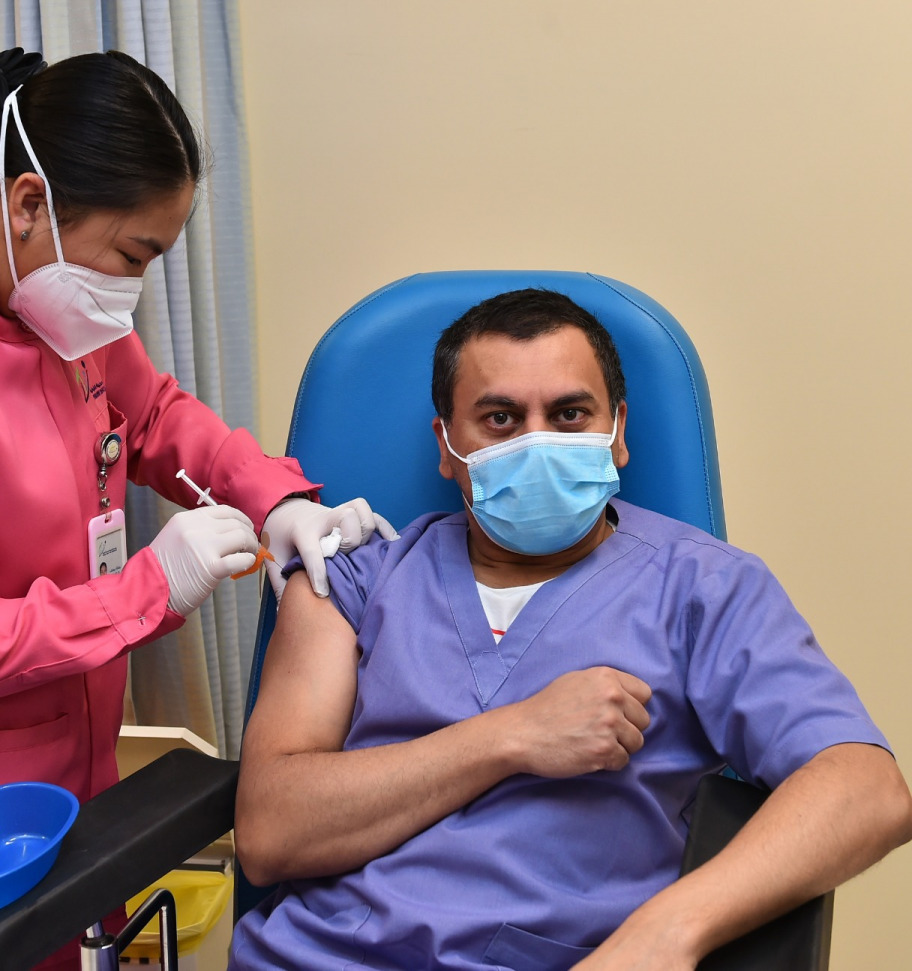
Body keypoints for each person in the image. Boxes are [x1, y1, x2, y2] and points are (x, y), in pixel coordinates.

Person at [0, 48, 392, 971]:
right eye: (133, 255)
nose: (133, 289)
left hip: (53, 827)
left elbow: (152, 412)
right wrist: (150, 589)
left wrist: (274, 495)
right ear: (28, 202)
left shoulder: (42, 295)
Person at [229, 288, 912, 970]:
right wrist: (512, 735)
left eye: (569, 415)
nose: (538, 443)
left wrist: (668, 932)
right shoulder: (349, 583)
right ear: (447, 446)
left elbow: (865, 788)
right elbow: (269, 832)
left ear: (617, 431)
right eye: (500, 418)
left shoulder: (703, 587)